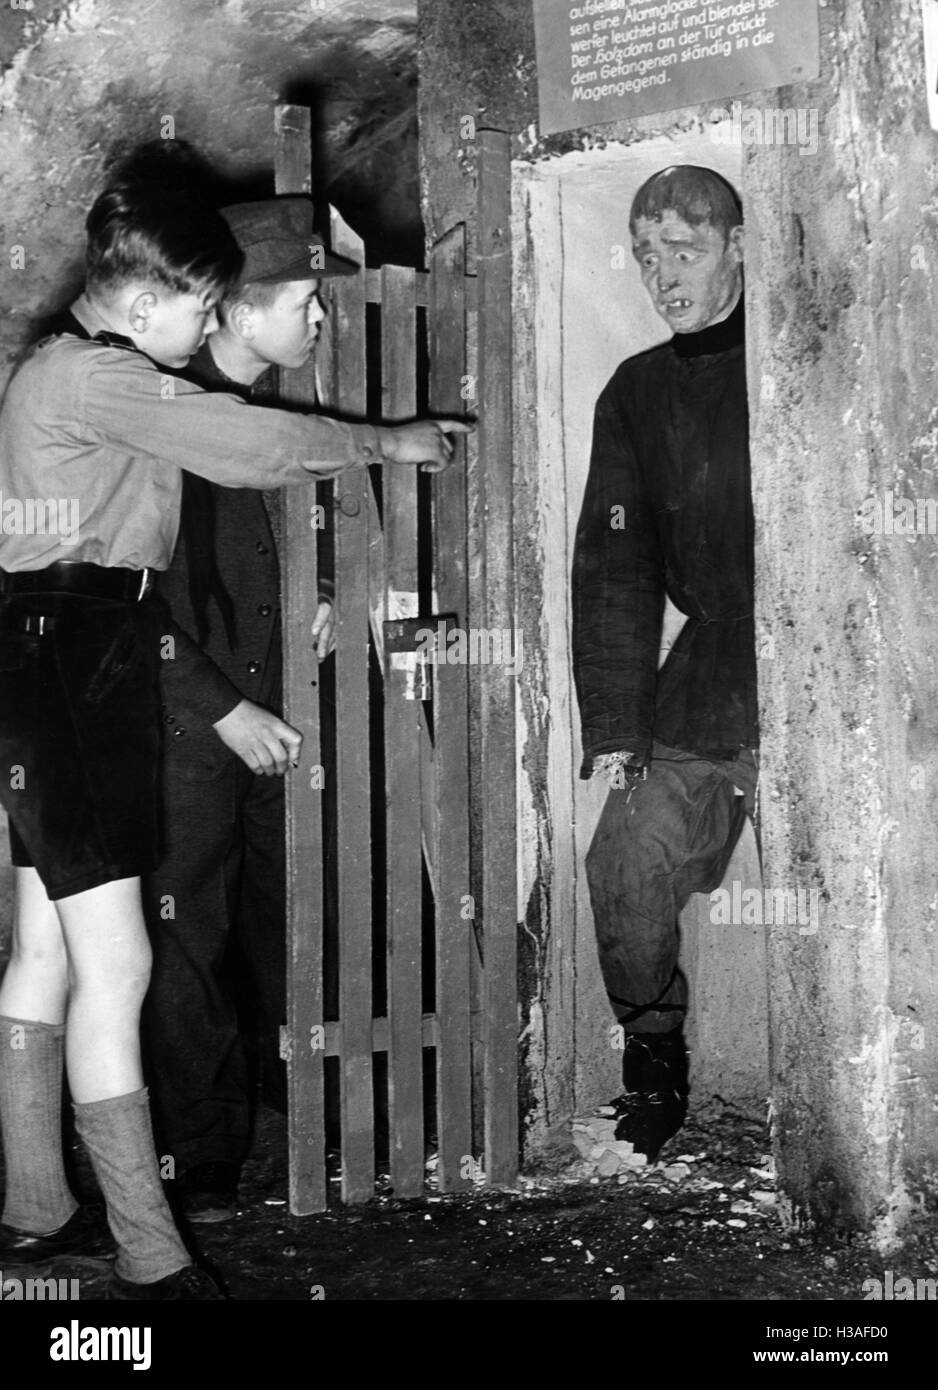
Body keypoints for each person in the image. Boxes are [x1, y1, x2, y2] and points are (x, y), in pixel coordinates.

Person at [0, 165, 465, 1299]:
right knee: (119, 961)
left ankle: (34, 1208)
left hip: (38, 649)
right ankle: (152, 1256)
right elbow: (248, 447)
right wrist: (389, 440)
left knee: (45, 950)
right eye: (204, 307)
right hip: (78, 657)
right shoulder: (96, 376)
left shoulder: (58, 375)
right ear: (145, 301)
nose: (209, 326)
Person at [139, 197, 346, 1223]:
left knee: (287, 908)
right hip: (189, 729)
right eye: (304, 302)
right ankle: (204, 1151)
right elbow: (133, 606)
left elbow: (326, 521)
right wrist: (221, 708)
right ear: (235, 309)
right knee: (187, 932)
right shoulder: (164, 422)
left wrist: (328, 593)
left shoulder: (285, 409)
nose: (318, 321)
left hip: (286, 711)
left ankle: (297, 1100)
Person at [572, 165, 758, 1163]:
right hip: (703, 678)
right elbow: (612, 570)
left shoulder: (797, 359)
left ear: (737, 246)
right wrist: (614, 728)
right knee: (623, 861)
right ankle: (653, 1071)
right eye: (644, 252)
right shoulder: (634, 391)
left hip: (824, 671)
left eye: (682, 248)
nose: (658, 271)